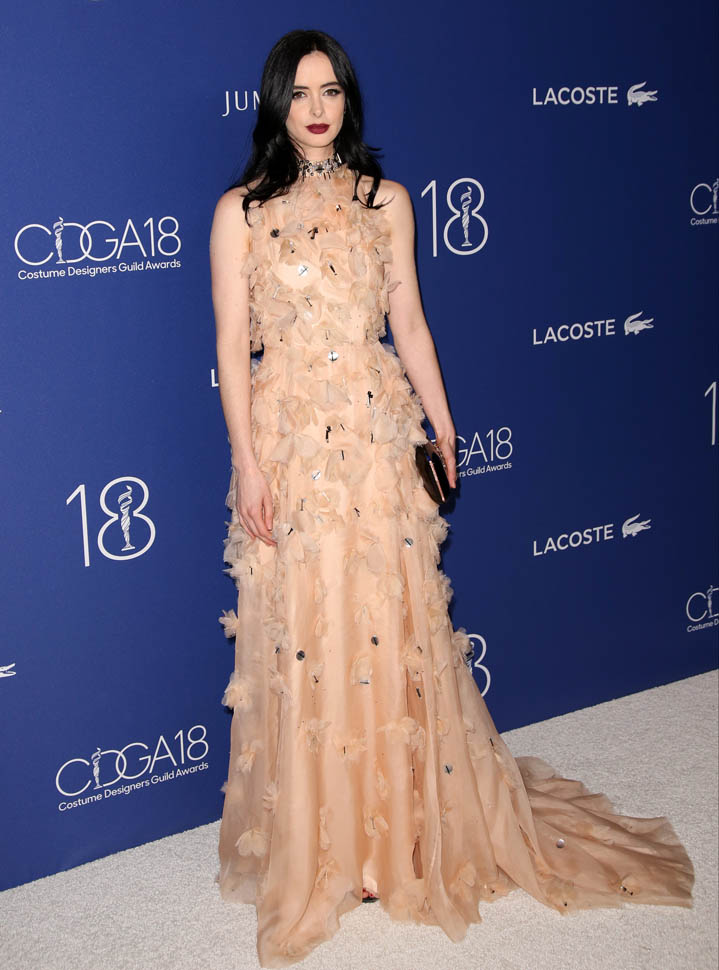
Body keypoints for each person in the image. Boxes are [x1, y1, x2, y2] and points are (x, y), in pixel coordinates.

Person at [209, 28, 694, 970]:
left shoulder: (386, 200)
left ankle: (394, 835)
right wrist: (248, 464)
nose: (317, 108)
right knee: (306, 628)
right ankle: (327, 840)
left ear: (349, 100)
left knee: (385, 626)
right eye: (300, 92)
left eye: (331, 90)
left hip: (376, 437)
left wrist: (442, 425)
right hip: (290, 446)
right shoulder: (241, 212)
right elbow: (232, 346)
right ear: (274, 103)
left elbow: (410, 322)